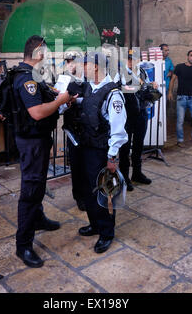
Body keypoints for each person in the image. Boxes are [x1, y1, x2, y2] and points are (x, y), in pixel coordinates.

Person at [13, 35, 74, 268]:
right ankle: (23, 245)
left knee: (38, 184)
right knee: (30, 189)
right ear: (38, 52)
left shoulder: (30, 76)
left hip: (35, 140)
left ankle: (37, 218)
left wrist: (61, 102)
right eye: (46, 52)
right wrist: (61, 101)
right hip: (32, 143)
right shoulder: (27, 79)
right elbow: (37, 113)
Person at [73, 51, 128, 254]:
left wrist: (112, 157)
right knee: (88, 189)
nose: (81, 68)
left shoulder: (114, 94)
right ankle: (95, 224)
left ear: (95, 66)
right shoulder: (89, 88)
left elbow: (118, 129)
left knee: (103, 192)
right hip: (86, 147)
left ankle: (106, 232)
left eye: (84, 64)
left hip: (101, 151)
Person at [117, 50, 157, 190]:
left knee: (139, 144)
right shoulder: (121, 73)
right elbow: (121, 90)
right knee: (125, 147)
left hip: (141, 112)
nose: (132, 61)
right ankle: (124, 177)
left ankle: (137, 173)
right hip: (127, 115)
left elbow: (145, 87)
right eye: (129, 59)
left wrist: (152, 87)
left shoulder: (142, 72)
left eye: (134, 59)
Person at [63, 54, 86, 211]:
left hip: (88, 128)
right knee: (76, 165)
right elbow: (59, 101)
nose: (71, 65)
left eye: (73, 62)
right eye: (68, 62)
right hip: (73, 128)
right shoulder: (64, 81)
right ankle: (79, 196)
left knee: (88, 164)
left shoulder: (88, 80)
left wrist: (77, 100)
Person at [168, 50, 192, 147]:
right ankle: (180, 140)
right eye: (191, 56)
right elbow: (173, 80)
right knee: (180, 121)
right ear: (187, 56)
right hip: (181, 98)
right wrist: (170, 92)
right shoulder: (179, 67)